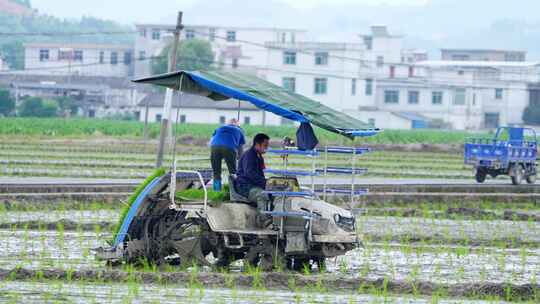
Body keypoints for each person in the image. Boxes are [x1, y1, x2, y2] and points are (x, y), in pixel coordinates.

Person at [236, 133, 272, 226]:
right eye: (265, 146)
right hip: (245, 186)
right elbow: (250, 174)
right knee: (262, 195)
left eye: (267, 146)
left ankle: (273, 217)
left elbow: (260, 174)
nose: (267, 148)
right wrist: (265, 183)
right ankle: (263, 220)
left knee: (274, 193)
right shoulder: (249, 156)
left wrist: (268, 183)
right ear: (257, 144)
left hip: (253, 185)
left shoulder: (258, 156)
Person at [210, 118, 245, 191]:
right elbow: (240, 148)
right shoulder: (240, 130)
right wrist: (240, 158)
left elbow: (213, 138)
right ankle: (235, 191)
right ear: (238, 124)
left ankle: (217, 191)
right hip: (229, 148)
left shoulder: (219, 128)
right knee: (233, 172)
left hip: (214, 147)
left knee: (216, 172)